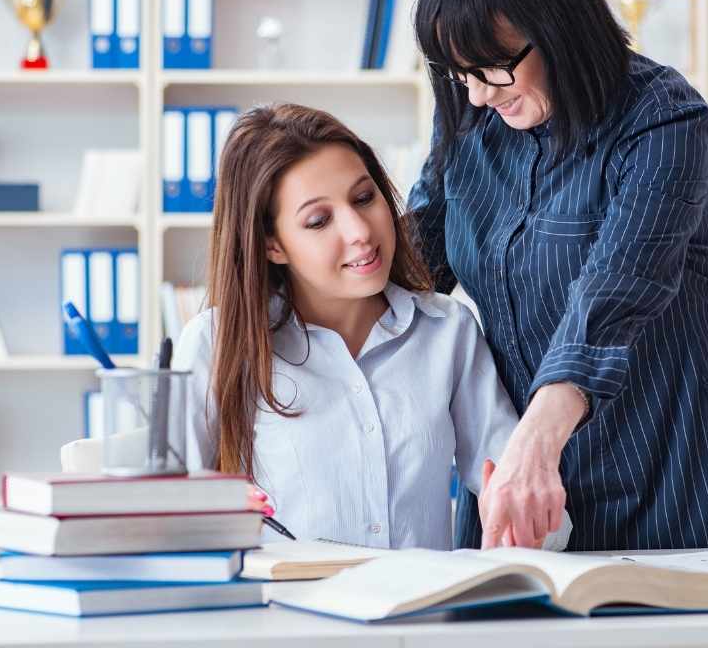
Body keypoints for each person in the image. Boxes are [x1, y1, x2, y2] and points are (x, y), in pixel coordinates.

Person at [408, 0, 708, 551]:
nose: (476, 94)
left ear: (560, 29)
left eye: (494, 67)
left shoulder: (664, 120)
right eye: (459, 72)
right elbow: (413, 268)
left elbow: (614, 292)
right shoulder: (471, 119)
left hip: (672, 480)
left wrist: (535, 442)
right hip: (523, 486)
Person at [174, 102, 569, 550]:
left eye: (364, 198)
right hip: (284, 615)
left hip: (420, 614)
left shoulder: (447, 331)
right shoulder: (216, 343)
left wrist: (525, 518)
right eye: (319, 221)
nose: (360, 230)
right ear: (272, 245)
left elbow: (535, 510)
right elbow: (161, 523)